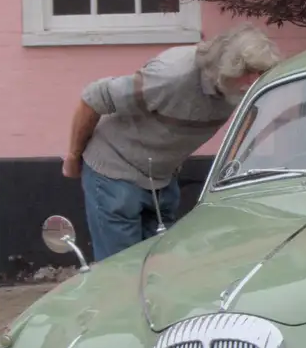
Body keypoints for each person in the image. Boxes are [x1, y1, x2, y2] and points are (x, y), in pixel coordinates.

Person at [63, 25, 283, 261]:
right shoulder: (170, 76)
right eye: (250, 72)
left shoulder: (240, 87)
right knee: (120, 268)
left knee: (158, 266)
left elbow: (249, 121)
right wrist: (73, 157)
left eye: (261, 72)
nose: (255, 81)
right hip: (113, 171)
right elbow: (93, 98)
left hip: (161, 177)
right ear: (227, 67)